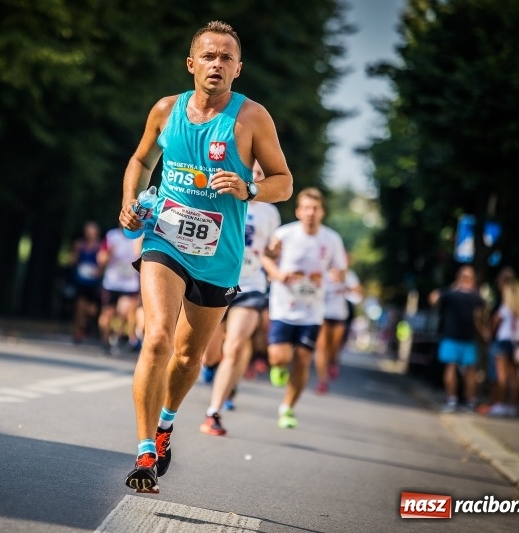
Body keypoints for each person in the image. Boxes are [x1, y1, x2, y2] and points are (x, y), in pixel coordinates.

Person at [119, 20, 292, 494]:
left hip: (220, 255)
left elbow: (284, 181)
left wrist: (249, 187)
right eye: (209, 56)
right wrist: (129, 201)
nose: (217, 64)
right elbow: (140, 160)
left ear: (238, 69)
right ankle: (144, 452)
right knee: (156, 339)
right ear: (191, 64)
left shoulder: (252, 118)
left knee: (188, 355)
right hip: (164, 238)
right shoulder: (165, 110)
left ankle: (166, 423)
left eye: (226, 58)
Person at [199, 160, 281, 436]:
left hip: (251, 285)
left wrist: (273, 251)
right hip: (218, 278)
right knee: (210, 350)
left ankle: (213, 413)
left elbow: (270, 252)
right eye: (251, 171)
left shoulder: (270, 212)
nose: (254, 176)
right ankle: (211, 365)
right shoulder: (220, 195)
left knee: (234, 346)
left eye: (260, 173)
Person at [260, 187, 347, 429]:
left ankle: (287, 408)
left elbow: (341, 271)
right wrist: (278, 274)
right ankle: (277, 367)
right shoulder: (285, 234)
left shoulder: (331, 240)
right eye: (306, 208)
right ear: (299, 211)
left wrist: (336, 274)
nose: (310, 213)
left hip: (312, 311)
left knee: (303, 358)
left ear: (322, 212)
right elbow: (266, 257)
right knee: (279, 357)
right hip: (283, 307)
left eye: (315, 209)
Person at [428, 266, 487, 413]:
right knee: (470, 370)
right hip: (469, 339)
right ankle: (470, 402)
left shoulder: (450, 294)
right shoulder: (477, 297)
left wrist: (452, 287)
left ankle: (451, 400)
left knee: (450, 368)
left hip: (450, 337)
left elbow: (433, 298)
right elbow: (480, 318)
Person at [314, 265, 363, 393]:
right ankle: (322, 381)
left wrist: (344, 286)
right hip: (322, 315)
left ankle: (333, 362)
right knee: (322, 348)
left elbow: (359, 292)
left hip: (339, 317)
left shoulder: (347, 274)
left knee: (334, 348)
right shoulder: (320, 271)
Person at [488, 280, 519, 417]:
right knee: (515, 377)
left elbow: (496, 323)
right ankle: (512, 406)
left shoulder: (505, 308)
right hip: (518, 342)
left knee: (501, 375)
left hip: (504, 341)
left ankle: (499, 404)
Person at [97, 225, 142, 354]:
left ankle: (123, 336)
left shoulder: (140, 236)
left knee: (127, 309)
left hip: (130, 283)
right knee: (107, 314)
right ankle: (105, 342)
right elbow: (101, 258)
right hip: (112, 282)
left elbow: (141, 256)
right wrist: (108, 254)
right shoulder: (112, 236)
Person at [69, 221, 103, 343]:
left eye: (93, 232)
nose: (90, 234)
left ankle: (86, 324)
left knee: (92, 309)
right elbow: (73, 260)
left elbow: (102, 263)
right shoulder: (79, 245)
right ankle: (78, 330)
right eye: (88, 232)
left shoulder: (100, 247)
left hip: (94, 283)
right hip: (81, 281)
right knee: (79, 305)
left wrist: (99, 270)